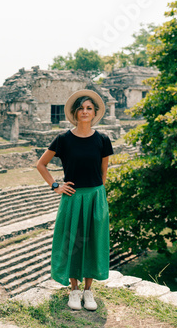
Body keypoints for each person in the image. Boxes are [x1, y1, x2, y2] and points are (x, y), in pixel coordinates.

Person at [36, 89, 113, 311]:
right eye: (81, 108)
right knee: (72, 241)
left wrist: (96, 193)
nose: (85, 111)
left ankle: (89, 291)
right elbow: (41, 164)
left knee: (93, 241)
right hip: (72, 197)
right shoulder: (63, 139)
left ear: (95, 112)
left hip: (95, 197)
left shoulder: (103, 139)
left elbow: (103, 171)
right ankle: (74, 289)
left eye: (89, 108)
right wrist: (55, 185)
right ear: (75, 112)